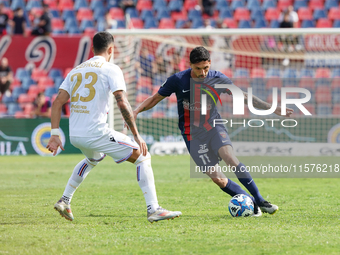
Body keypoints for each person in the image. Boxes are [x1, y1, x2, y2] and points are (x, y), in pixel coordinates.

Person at [133, 46, 294, 216]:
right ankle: (252, 204)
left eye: (206, 68)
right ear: (190, 65)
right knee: (219, 179)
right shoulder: (178, 80)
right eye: (198, 69)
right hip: (192, 135)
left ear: (210, 63)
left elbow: (243, 96)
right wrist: (136, 111)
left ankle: (260, 199)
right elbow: (155, 99)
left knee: (230, 158)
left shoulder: (218, 78)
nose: (202, 73)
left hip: (213, 127)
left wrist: (271, 108)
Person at [46, 31, 181, 223]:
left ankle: (65, 200)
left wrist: (54, 134)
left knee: (93, 157)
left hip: (75, 134)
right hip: (95, 132)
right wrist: (136, 135)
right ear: (111, 49)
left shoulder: (75, 71)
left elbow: (57, 102)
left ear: (92, 49)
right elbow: (122, 101)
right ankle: (154, 209)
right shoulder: (111, 69)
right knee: (143, 156)